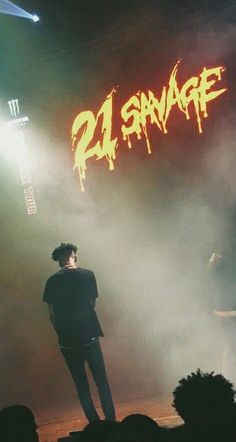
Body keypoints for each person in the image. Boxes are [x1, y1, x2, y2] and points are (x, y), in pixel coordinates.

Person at [43, 242, 115, 423]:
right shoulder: (88, 275)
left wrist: (62, 333)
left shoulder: (52, 281)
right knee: (101, 381)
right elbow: (92, 305)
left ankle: (95, 424)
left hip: (68, 341)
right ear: (74, 255)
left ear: (58, 261)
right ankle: (111, 421)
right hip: (89, 336)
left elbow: (52, 315)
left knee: (81, 385)